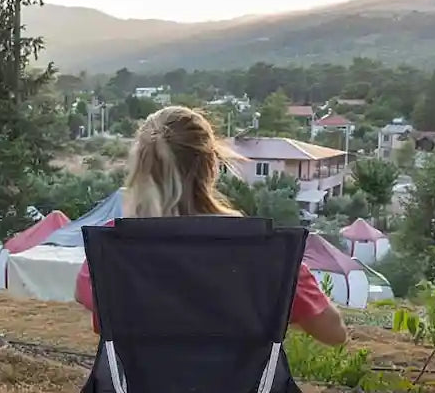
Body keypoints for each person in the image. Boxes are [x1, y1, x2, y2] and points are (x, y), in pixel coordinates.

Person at [74, 105, 348, 346]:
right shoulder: (263, 249)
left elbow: (87, 298)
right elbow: (333, 333)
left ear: (141, 169)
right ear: (212, 165)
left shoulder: (112, 247)